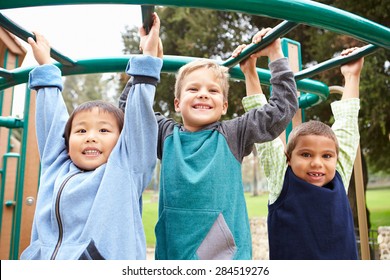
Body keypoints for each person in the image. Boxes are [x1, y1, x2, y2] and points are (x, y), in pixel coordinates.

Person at [120, 27, 299, 260]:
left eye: (213, 90)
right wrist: (149, 61)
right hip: (174, 255)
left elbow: (282, 109)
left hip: (224, 259)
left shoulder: (234, 134)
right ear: (177, 103)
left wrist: (275, 54)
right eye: (193, 89)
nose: (203, 94)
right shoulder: (166, 135)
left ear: (224, 106)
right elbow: (129, 113)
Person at [20, 13, 163, 260]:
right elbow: (52, 120)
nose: (91, 137)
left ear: (122, 141)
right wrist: (45, 67)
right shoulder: (57, 165)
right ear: (67, 142)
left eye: (104, 130)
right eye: (81, 130)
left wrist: (147, 61)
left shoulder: (126, 169)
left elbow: (139, 120)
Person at [239, 44, 364, 259]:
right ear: (288, 158)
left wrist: (352, 76)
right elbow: (262, 125)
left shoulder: (338, 176)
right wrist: (250, 71)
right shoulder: (283, 179)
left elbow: (347, 125)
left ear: (336, 157)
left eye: (326, 156)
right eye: (306, 155)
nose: (317, 163)